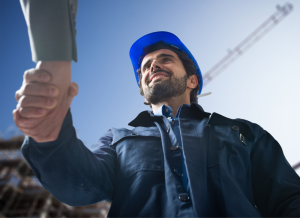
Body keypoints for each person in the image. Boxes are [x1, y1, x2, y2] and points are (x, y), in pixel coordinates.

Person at [14, 2, 300, 217]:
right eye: (145, 67)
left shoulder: (245, 134)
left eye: (165, 58)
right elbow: (78, 186)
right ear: (143, 89)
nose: (152, 66)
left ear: (192, 80)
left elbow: (289, 200)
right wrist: (50, 135)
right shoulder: (117, 140)